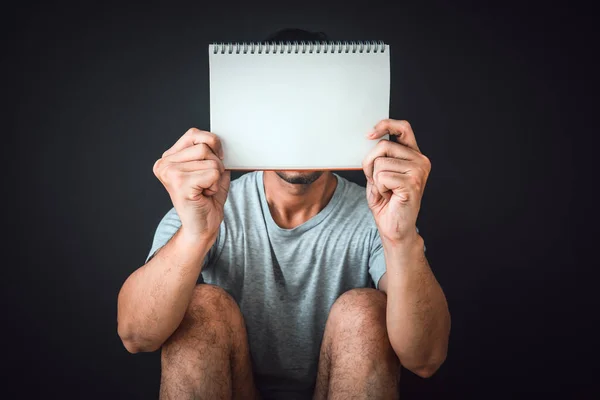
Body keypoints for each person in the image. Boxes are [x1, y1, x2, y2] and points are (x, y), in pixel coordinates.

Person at [117, 29, 450, 400]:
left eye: (317, 107)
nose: (300, 126)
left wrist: (401, 240)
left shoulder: (379, 212)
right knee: (200, 307)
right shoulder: (205, 205)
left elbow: (425, 359)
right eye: (284, 108)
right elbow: (135, 336)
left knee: (366, 310)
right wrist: (196, 235)